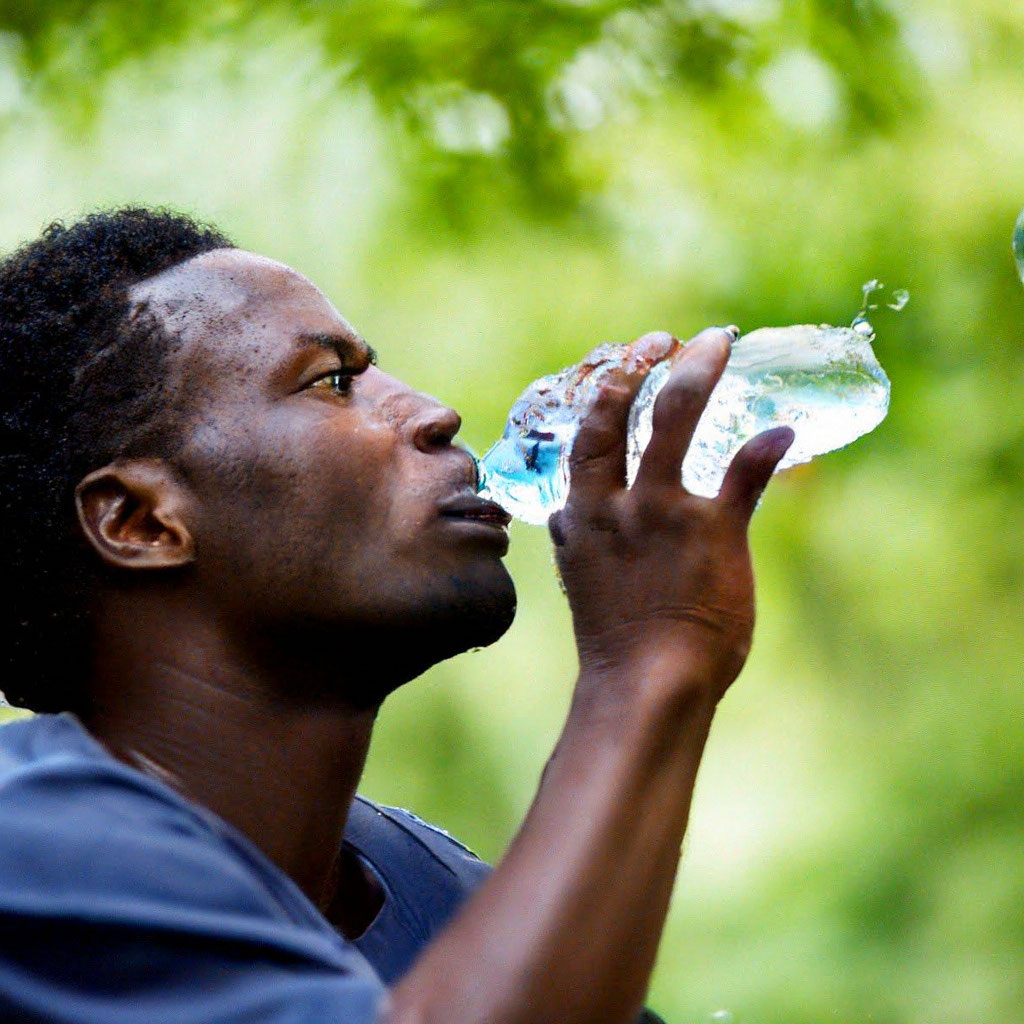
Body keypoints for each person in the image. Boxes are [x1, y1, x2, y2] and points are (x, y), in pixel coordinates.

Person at [0, 208, 793, 1024]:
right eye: (332, 381)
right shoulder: (23, 847)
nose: (437, 413)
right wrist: (646, 670)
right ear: (140, 523)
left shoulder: (436, 888)